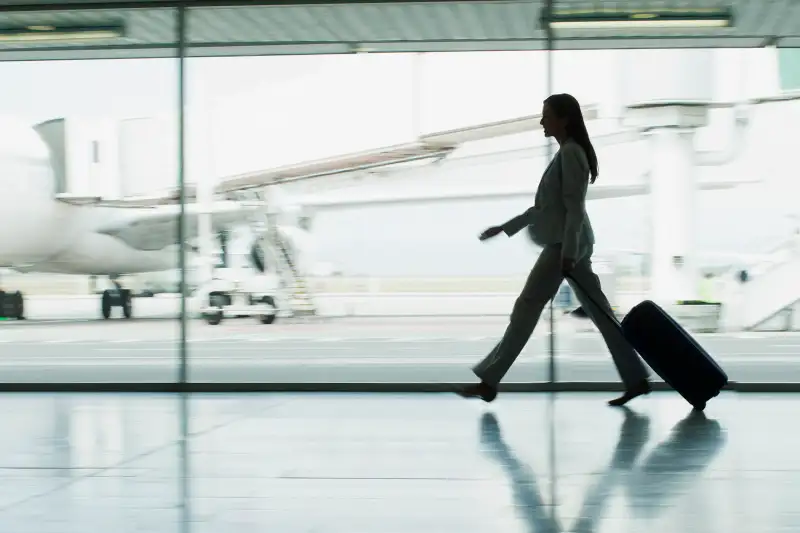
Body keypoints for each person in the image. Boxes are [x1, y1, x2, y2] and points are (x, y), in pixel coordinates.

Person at [456, 93, 651, 407]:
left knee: (527, 307)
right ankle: (636, 378)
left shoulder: (571, 154)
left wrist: (568, 254)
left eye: (546, 115)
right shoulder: (567, 153)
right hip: (569, 245)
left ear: (564, 119)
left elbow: (574, 209)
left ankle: (489, 381)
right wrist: (505, 228)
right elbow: (544, 209)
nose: (542, 121)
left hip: (565, 246)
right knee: (599, 314)